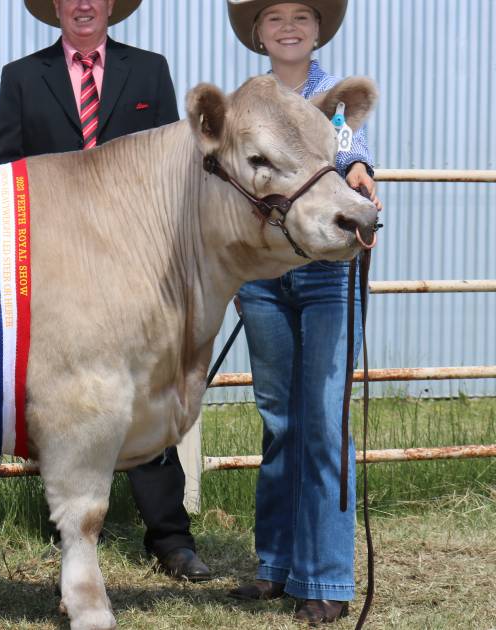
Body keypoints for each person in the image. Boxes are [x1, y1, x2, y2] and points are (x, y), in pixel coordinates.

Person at [0, 0, 211, 582]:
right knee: (65, 391)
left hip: (134, 263)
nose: (82, 4)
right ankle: (68, 522)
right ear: (57, 7)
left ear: (111, 6)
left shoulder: (150, 70)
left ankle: (169, 537)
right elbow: (4, 168)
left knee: (145, 383)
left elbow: (175, 165)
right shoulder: (21, 76)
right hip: (54, 265)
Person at [224, 0, 381, 624]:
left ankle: (327, 577)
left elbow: (351, 154)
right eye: (274, 16)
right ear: (258, 33)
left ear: (318, 30)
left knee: (322, 422)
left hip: (327, 275)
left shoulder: (334, 100)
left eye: (302, 16)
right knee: (282, 421)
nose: (288, 26)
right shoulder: (246, 106)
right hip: (265, 276)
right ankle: (277, 566)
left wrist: (363, 172)